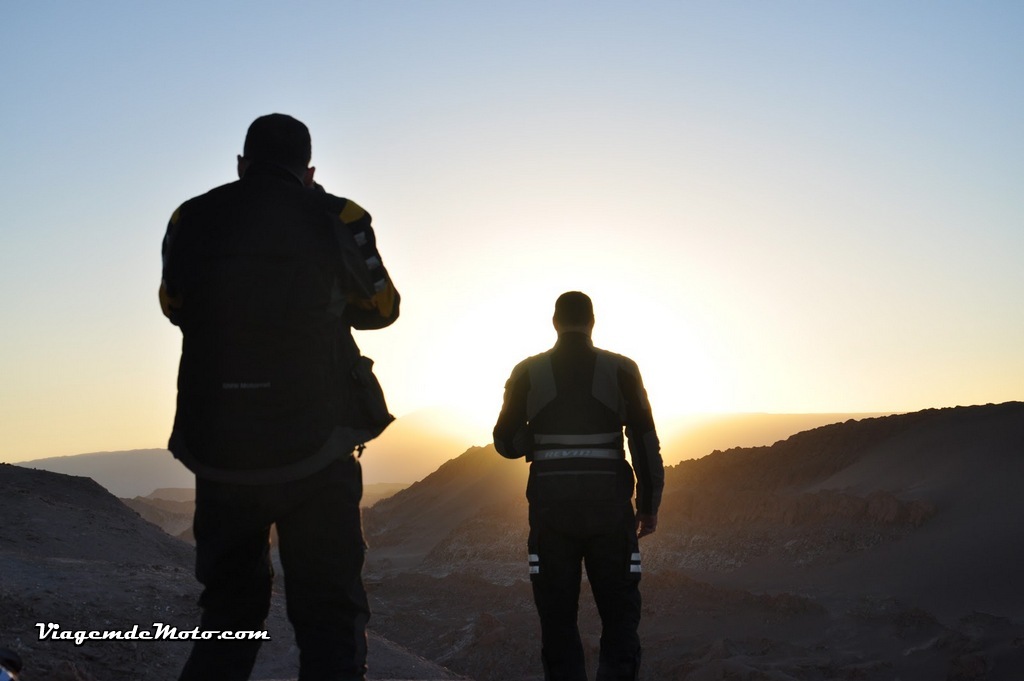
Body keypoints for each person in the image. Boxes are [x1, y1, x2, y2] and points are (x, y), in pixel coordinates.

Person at [159, 113, 400, 681]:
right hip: (316, 447)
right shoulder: (340, 216)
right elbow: (383, 310)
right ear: (309, 171)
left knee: (227, 618)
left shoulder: (189, 217)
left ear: (241, 165)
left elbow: (174, 306)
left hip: (218, 446)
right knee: (329, 620)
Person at [493, 291, 664, 681]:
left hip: (551, 515)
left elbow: (504, 442)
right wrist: (649, 504)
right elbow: (644, 440)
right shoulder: (622, 369)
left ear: (555, 323)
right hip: (610, 514)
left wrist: (534, 441)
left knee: (557, 622)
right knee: (620, 619)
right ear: (592, 323)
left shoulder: (527, 372)